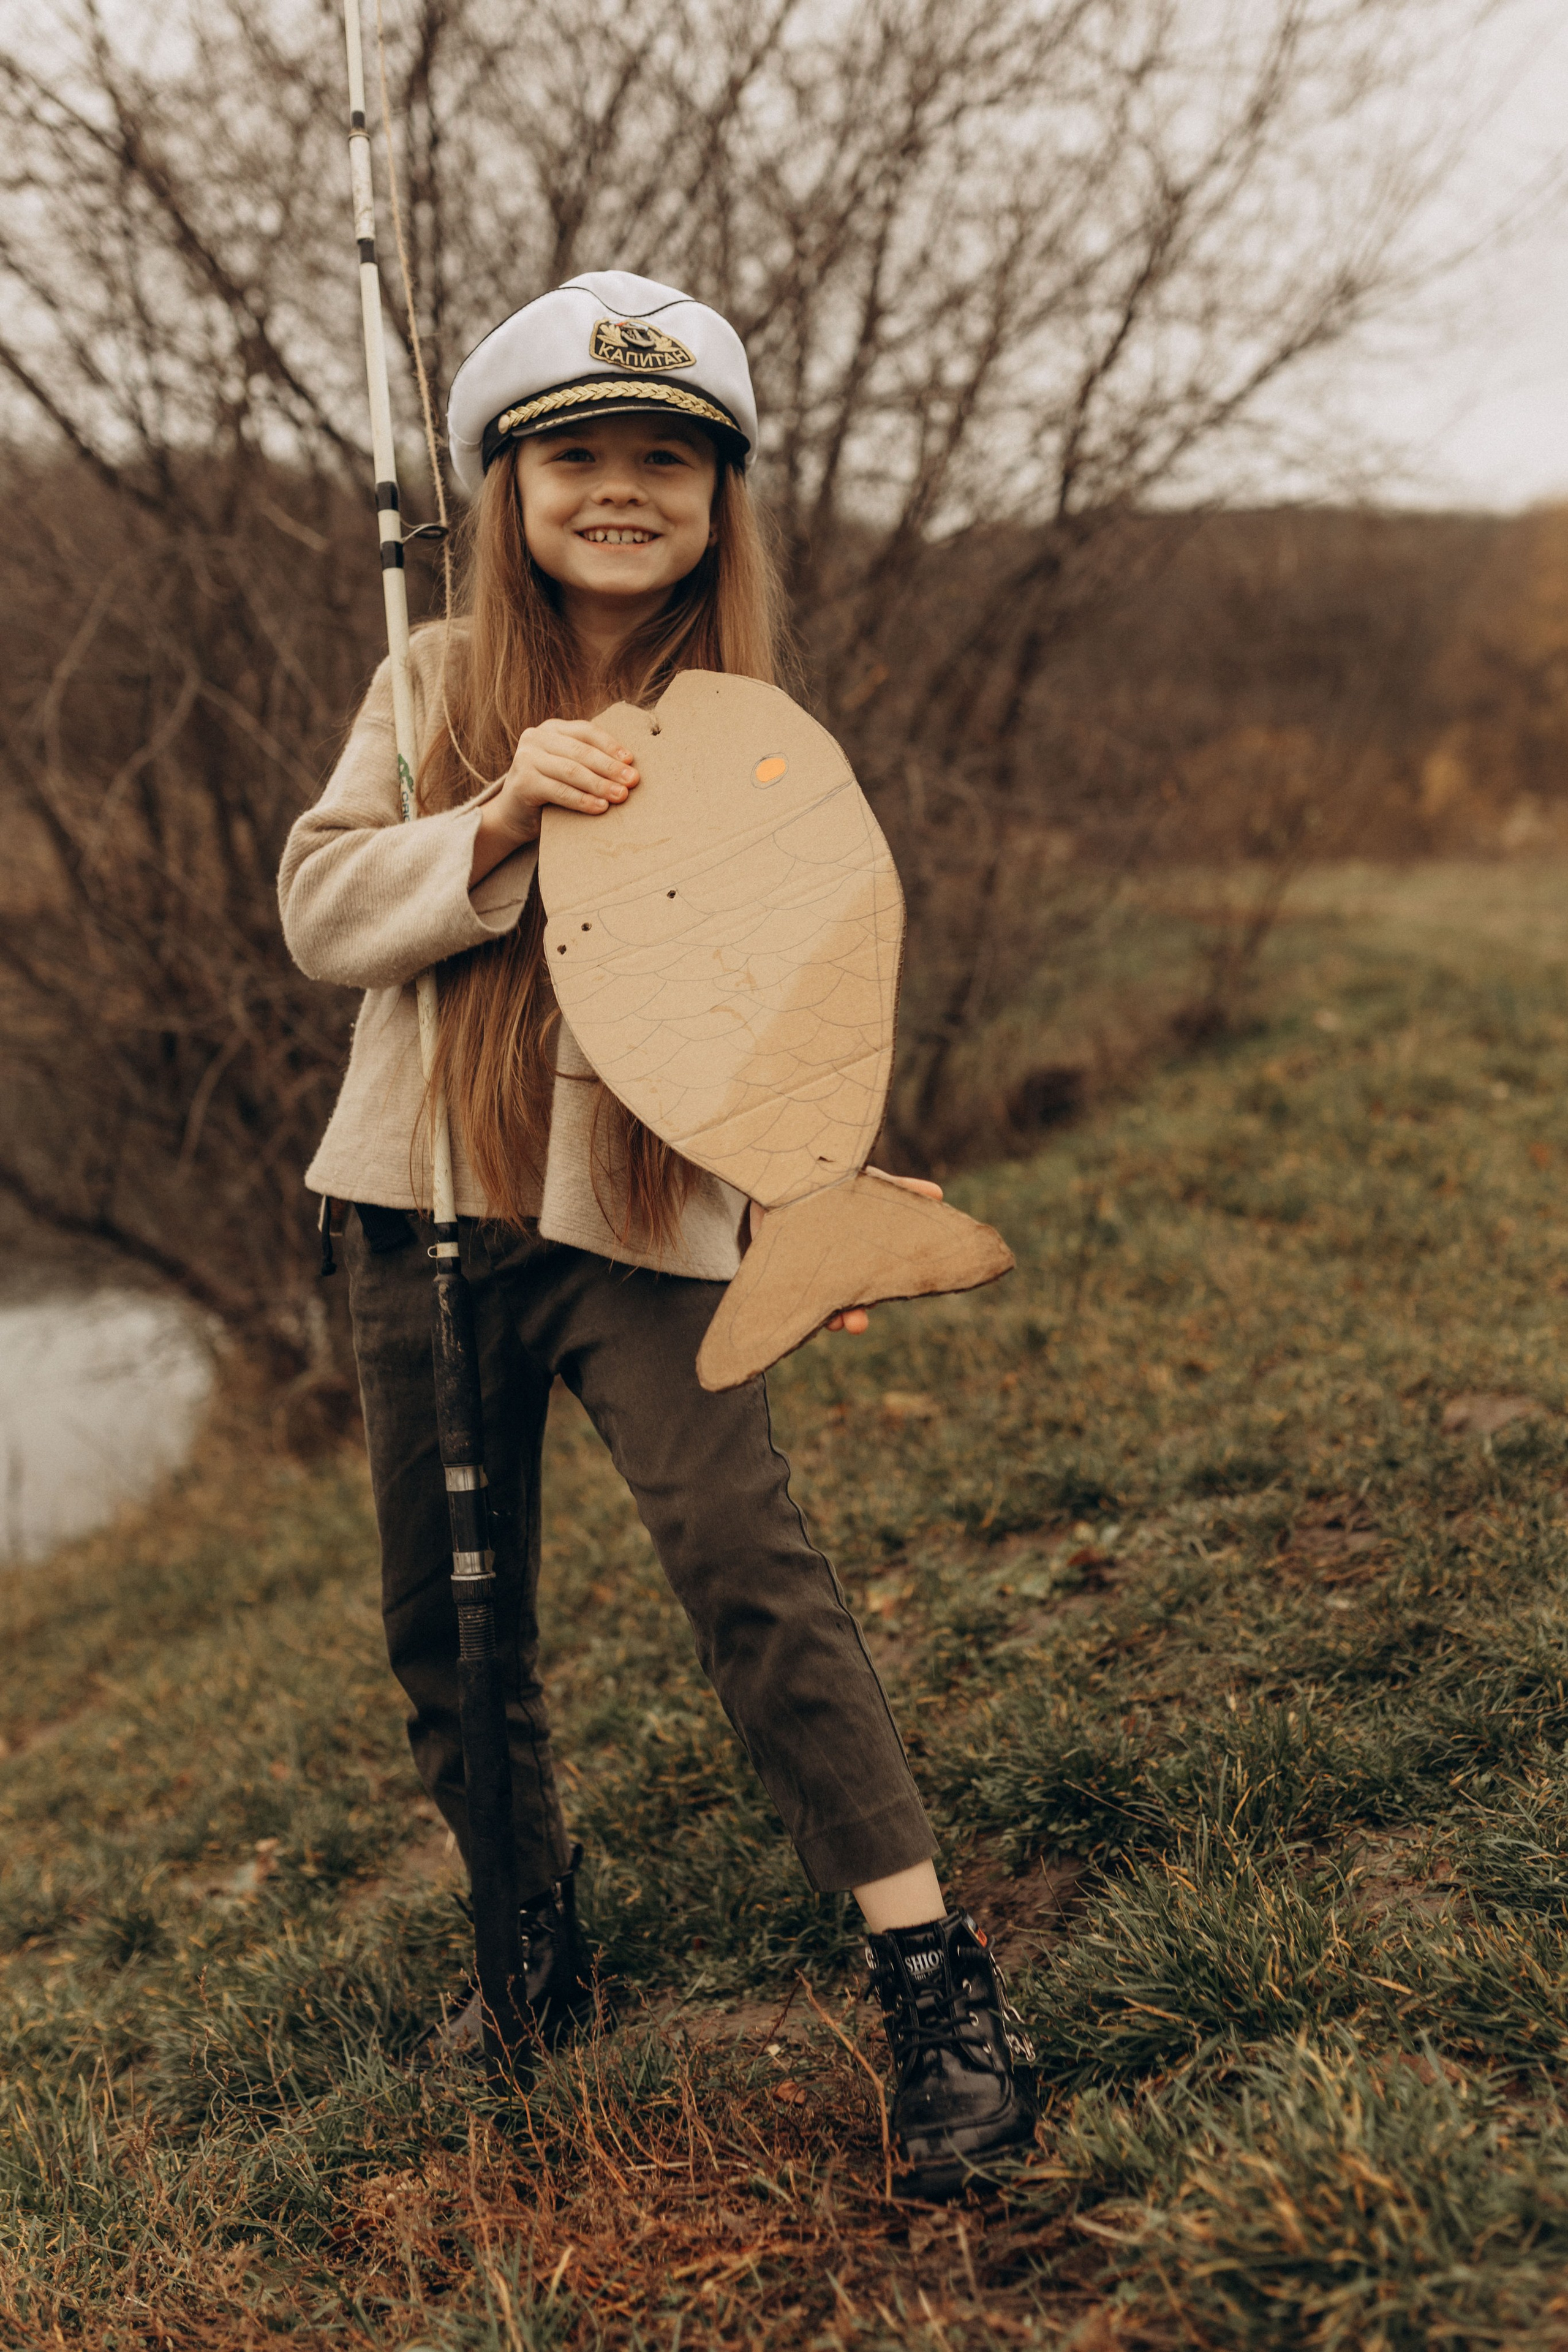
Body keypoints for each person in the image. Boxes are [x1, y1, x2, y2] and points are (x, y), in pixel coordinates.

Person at [277, 271, 1032, 2198]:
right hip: (421, 1209)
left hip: (643, 1220)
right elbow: (321, 914)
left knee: (747, 1563)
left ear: (721, 496)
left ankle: (930, 1969)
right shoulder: (434, 680)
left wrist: (821, 1175)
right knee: (450, 1627)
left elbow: (788, 986)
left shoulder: (750, 728)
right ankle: (528, 1941)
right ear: (509, 486)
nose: (623, 492)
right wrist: (500, 818)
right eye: (580, 458)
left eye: (666, 463)